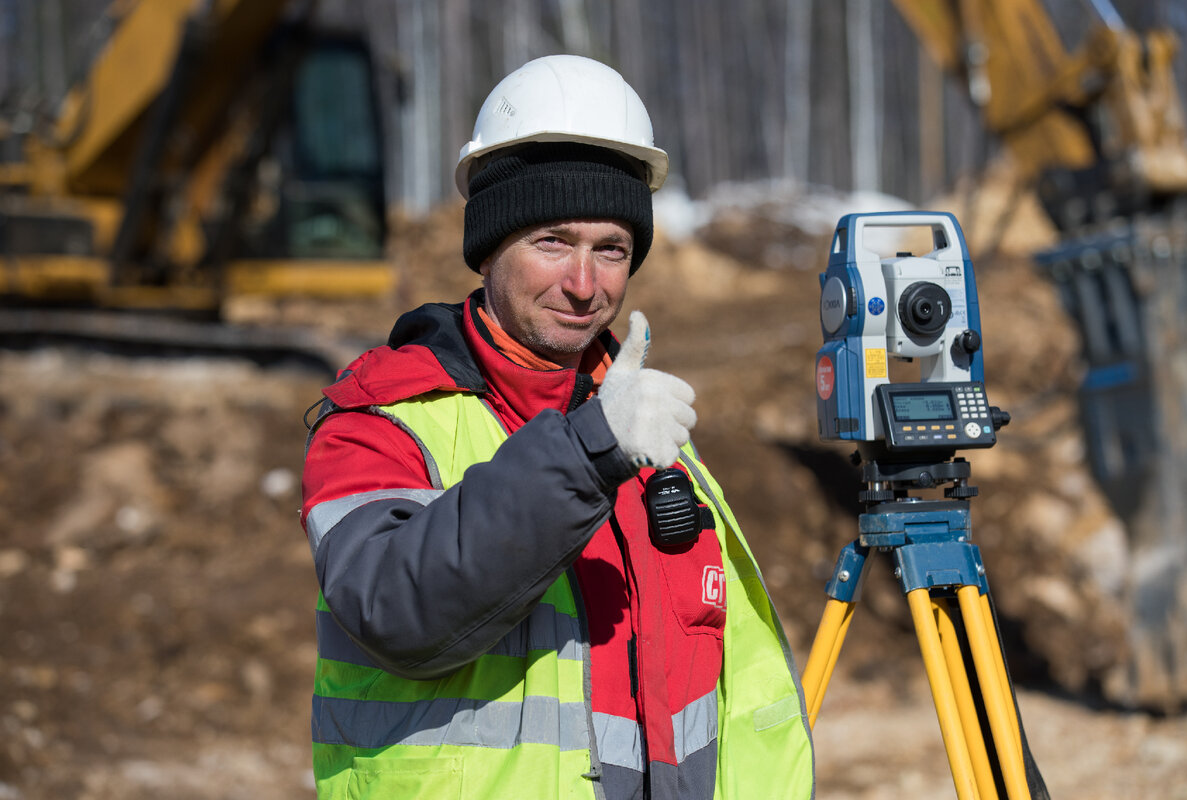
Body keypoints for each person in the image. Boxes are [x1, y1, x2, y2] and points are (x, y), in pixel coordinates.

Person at [300, 54, 814, 799]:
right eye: (553, 242)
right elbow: (392, 608)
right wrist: (586, 452)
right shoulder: (379, 422)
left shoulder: (633, 418)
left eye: (611, 250)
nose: (584, 285)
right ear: (489, 246)